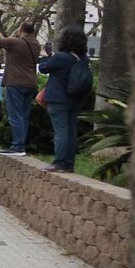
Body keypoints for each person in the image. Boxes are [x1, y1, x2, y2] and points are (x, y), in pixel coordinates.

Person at [38, 28, 93, 173]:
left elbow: (43, 68)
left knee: (61, 132)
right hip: (76, 99)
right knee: (70, 131)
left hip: (58, 100)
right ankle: (69, 164)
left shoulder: (61, 57)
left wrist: (44, 56)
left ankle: (60, 162)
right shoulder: (83, 59)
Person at [0, 22, 42, 153]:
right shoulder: (36, 44)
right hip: (30, 83)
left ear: (21, 30)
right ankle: (22, 144)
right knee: (24, 115)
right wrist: (3, 37)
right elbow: (8, 43)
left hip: (16, 82)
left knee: (15, 115)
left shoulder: (16, 42)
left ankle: (18, 146)